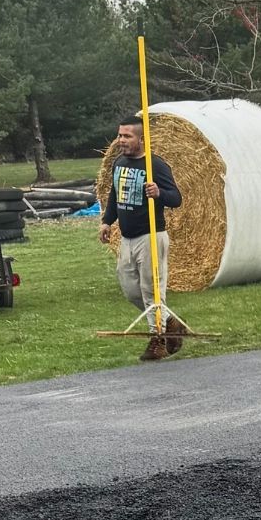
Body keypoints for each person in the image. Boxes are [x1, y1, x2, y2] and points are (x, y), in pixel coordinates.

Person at [98, 118, 185, 362]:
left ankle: (157, 340)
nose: (121, 141)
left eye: (127, 136)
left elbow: (176, 198)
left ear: (141, 139)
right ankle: (170, 322)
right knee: (130, 291)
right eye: (120, 135)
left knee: (151, 291)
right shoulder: (119, 163)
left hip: (151, 236)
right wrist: (107, 221)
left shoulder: (155, 165)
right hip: (127, 237)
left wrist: (159, 193)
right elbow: (116, 195)